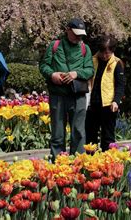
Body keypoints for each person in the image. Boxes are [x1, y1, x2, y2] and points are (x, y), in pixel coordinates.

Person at [39, 18, 94, 159]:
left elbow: (90, 70)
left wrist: (77, 73)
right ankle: (58, 166)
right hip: (58, 95)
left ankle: (78, 165)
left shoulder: (85, 49)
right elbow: (43, 66)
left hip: (78, 95)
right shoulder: (54, 46)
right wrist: (52, 75)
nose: (78, 37)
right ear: (67, 30)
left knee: (79, 133)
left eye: (81, 34)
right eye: (75, 33)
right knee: (57, 133)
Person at [86, 36, 125, 151]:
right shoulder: (92, 60)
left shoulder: (117, 63)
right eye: (102, 52)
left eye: (107, 53)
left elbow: (120, 85)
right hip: (92, 103)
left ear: (112, 51)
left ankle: (107, 162)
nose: (104, 56)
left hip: (108, 105)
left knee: (107, 137)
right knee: (90, 136)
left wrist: (116, 101)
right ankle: (90, 162)